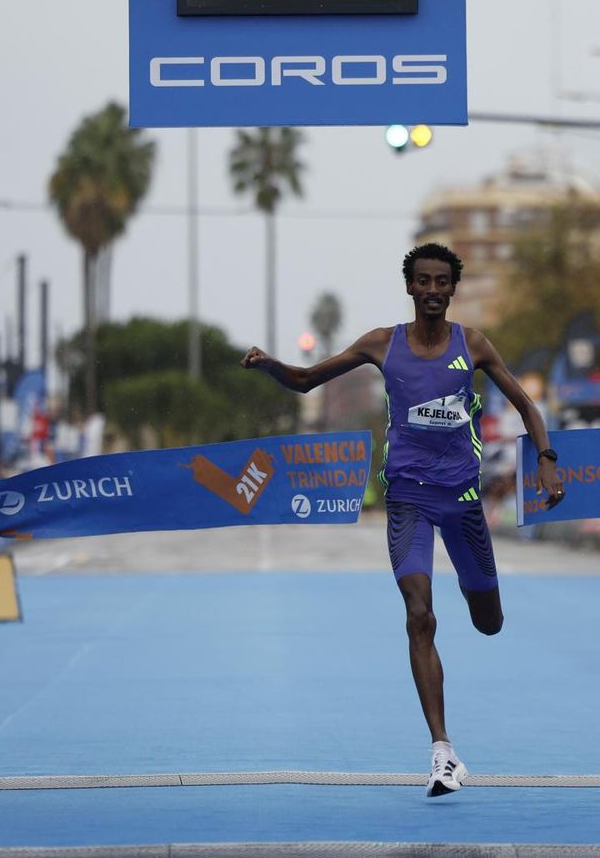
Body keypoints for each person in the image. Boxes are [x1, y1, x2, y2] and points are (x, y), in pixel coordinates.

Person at [242, 242, 566, 797]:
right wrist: (271, 364)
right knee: (420, 616)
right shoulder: (381, 344)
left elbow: (526, 406)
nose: (434, 290)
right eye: (425, 281)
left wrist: (548, 461)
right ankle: (444, 754)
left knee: (488, 621)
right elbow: (305, 380)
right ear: (411, 287)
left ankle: (478, 601)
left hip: (462, 501)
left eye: (444, 281)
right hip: (409, 499)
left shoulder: (475, 344)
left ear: (452, 288)